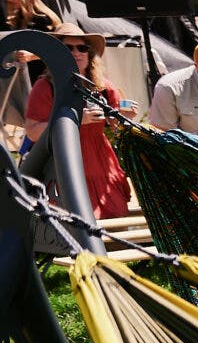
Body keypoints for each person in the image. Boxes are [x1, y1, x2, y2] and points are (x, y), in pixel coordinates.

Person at [24, 30, 137, 218]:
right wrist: (74, 120)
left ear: (89, 53)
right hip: (63, 163)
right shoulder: (45, 86)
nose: (76, 53)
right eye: (68, 48)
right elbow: (32, 132)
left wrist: (124, 117)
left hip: (100, 164)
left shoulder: (104, 87)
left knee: (116, 217)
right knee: (76, 226)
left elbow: (115, 124)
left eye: (82, 48)